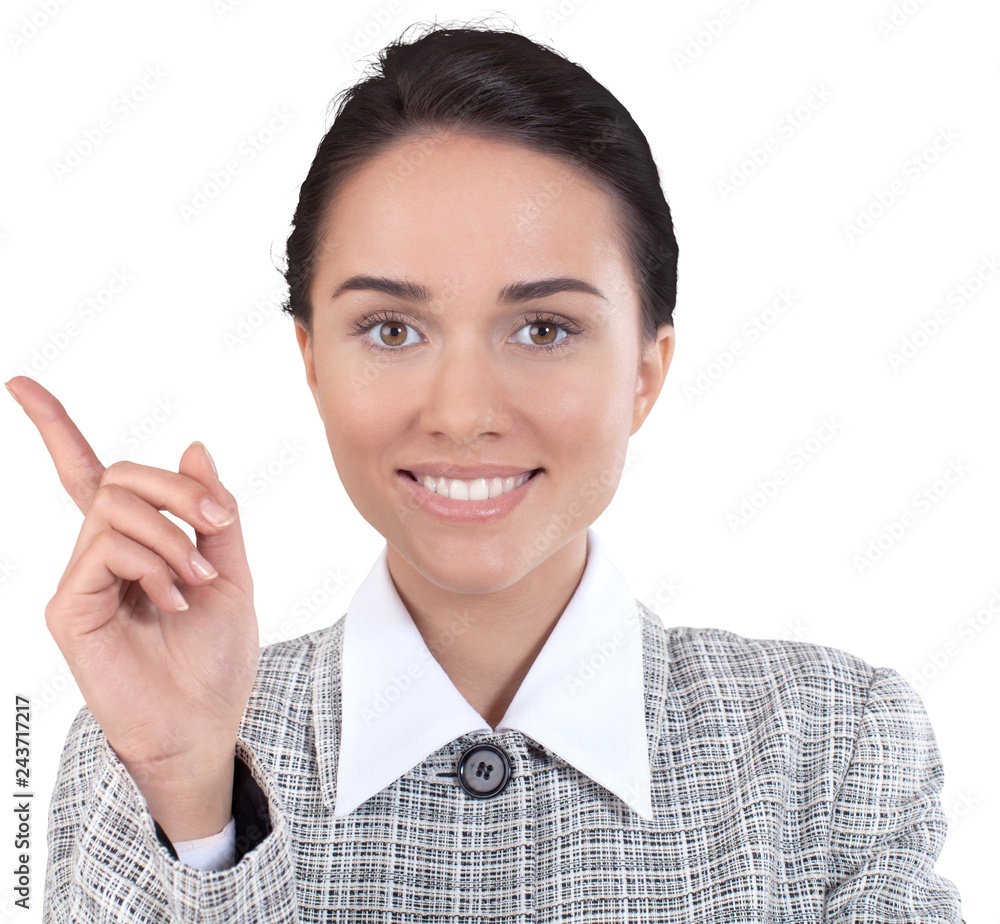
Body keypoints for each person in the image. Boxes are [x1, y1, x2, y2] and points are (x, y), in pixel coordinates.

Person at [7, 21, 962, 923]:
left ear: (645, 372)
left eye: (543, 329)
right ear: (312, 361)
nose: (462, 414)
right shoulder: (140, 745)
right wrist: (194, 806)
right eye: (392, 330)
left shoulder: (833, 747)